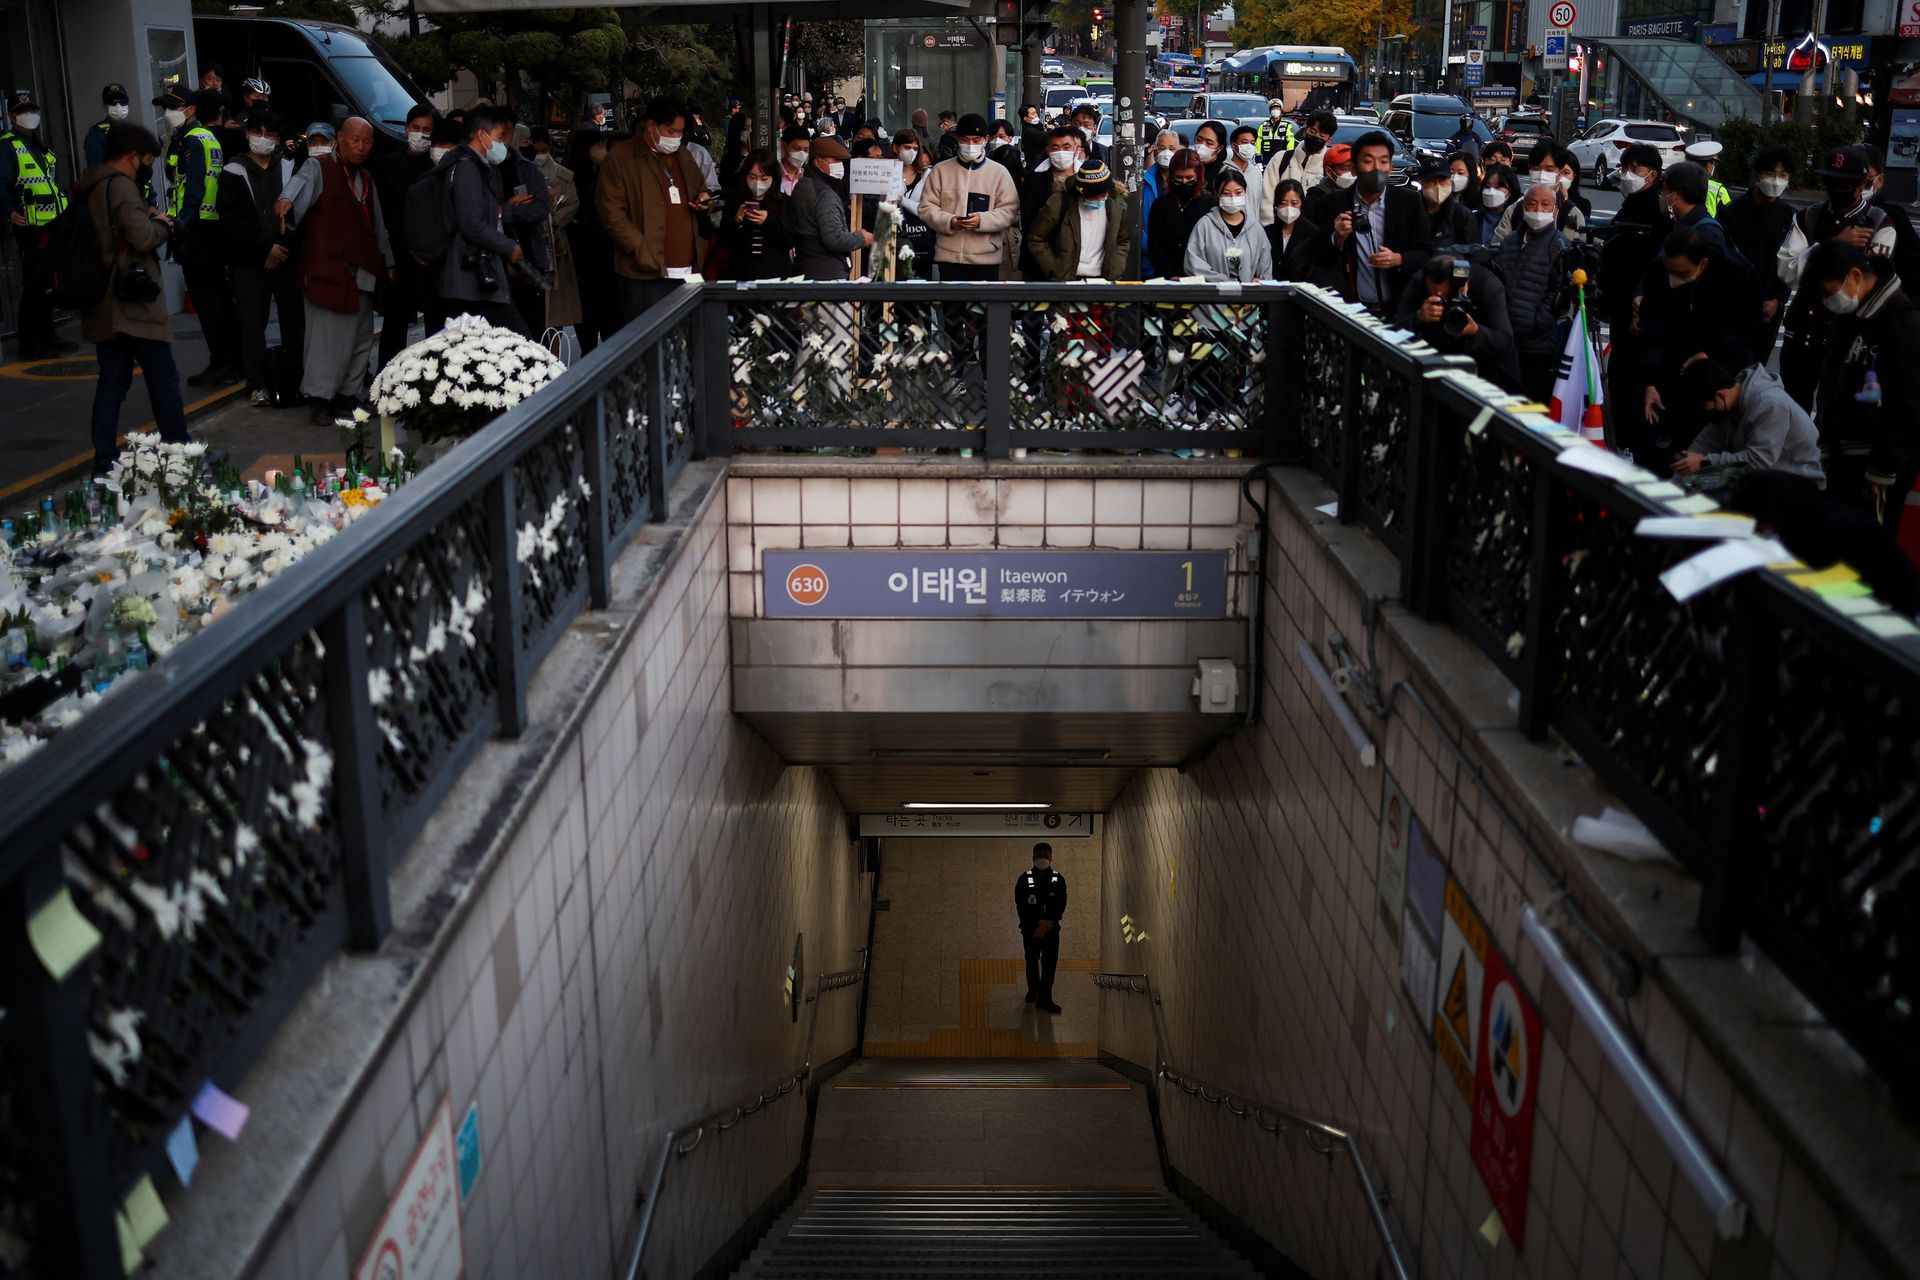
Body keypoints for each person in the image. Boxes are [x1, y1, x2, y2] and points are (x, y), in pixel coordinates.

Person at [79, 124, 190, 472]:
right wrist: (164, 225)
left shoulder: (90, 185)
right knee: (164, 380)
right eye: (146, 159)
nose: (147, 166)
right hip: (133, 303)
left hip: (104, 304)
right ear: (132, 157)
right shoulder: (122, 187)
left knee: (111, 384)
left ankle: (104, 458)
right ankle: (181, 454)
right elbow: (141, 238)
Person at [276, 117, 393, 424]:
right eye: (355, 140)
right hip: (328, 269)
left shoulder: (366, 178)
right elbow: (297, 186)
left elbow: (379, 227)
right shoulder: (320, 167)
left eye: (367, 141)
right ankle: (320, 399)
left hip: (363, 269)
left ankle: (347, 395)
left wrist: (388, 263)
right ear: (339, 139)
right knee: (325, 340)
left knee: (360, 339)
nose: (361, 146)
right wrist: (286, 200)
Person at [1803, 240, 1920, 525]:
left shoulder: (1902, 323)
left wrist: (1883, 468)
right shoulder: (1850, 319)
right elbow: (1831, 383)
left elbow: (1910, 405)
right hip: (1845, 457)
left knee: (1870, 544)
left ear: (1854, 276)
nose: (1827, 301)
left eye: (1828, 292)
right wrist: (1827, 444)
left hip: (1878, 466)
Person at [1778, 145, 1899, 411]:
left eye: (1845, 183)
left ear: (1861, 184)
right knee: (1792, 412)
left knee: (1836, 414)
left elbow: (1871, 285)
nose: (1837, 188)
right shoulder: (1808, 217)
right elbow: (1787, 272)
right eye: (1831, 181)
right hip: (1802, 333)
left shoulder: (1879, 223)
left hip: (1848, 339)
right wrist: (1831, 245)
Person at [1635, 228, 1757, 461]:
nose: (1673, 280)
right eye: (1670, 271)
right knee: (1659, 436)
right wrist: (1651, 381)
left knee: (1709, 433)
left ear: (1703, 264)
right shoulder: (1658, 272)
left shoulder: (1737, 273)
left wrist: (1709, 353)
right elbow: (1651, 330)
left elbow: (1745, 326)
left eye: (1680, 273)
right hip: (1673, 362)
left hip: (1720, 367)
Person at [1729, 470, 1920, 614]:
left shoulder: (1826, 530)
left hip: (1893, 620)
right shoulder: (1813, 513)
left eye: (1759, 525)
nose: (1760, 531)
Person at [216, 109, 304, 407]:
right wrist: (264, 248)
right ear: (247, 134)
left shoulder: (290, 167)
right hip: (249, 260)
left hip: (285, 258)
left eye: (269, 134)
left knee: (294, 321)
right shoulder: (232, 171)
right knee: (253, 323)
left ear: (278, 138)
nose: (263, 139)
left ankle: (295, 378)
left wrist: (280, 247)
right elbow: (230, 219)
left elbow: (298, 213)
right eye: (258, 133)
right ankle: (255, 382)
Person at [599, 97, 714, 322]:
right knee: (649, 346)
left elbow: (702, 189)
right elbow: (611, 212)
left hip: (688, 269)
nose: (675, 138)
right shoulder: (621, 158)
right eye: (671, 131)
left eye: (680, 132)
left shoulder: (683, 155)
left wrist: (703, 200)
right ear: (651, 125)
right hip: (645, 272)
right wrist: (640, 248)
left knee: (688, 344)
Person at [157, 88, 242, 385]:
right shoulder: (204, 138)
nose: (167, 113)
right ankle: (233, 361)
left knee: (208, 301)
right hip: (210, 226)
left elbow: (191, 189)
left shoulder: (194, 140)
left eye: (172, 107)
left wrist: (181, 226)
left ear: (190, 109)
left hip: (198, 229)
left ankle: (222, 364)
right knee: (218, 297)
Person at [1599, 143, 1671, 453]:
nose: (1626, 175)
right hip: (1620, 308)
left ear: (1653, 175)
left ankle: (1627, 440)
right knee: (1621, 376)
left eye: (1634, 169)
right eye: (1624, 168)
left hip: (1637, 310)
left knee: (1628, 378)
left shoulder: (1654, 211)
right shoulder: (1630, 205)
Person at [431, 111, 525, 336]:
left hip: (473, 275)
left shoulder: (475, 167)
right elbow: (472, 223)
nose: (502, 143)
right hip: (473, 275)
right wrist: (509, 247)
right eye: (499, 136)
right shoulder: (467, 168)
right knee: (517, 343)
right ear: (482, 135)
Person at [1670, 357, 1825, 487]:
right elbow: (1706, 442)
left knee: (1719, 498)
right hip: (1768, 475)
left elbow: (1759, 462)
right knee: (1695, 484)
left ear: (1720, 395)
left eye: (1705, 407)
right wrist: (1677, 481)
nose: (1705, 413)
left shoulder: (1770, 405)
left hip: (1798, 483)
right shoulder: (1730, 401)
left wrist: (1705, 463)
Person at [1, 89, 75, 360]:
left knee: (47, 285)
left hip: (51, 225)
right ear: (11, 116)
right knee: (34, 286)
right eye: (22, 111)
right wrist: (8, 211)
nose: (29, 115)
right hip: (30, 228)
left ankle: (49, 337)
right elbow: (1, 183)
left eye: (32, 110)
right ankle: (31, 345)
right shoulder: (7, 145)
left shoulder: (38, 145)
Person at [1331, 131, 1431, 312]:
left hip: (1398, 310)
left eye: (1384, 161)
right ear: (1354, 168)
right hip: (1350, 311)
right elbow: (1316, 255)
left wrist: (1399, 259)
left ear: (1391, 167)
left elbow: (1426, 252)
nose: (1377, 168)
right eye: (1368, 161)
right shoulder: (1334, 203)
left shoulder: (1409, 201)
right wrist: (1337, 238)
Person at [1393, 252, 1520, 391]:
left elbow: (1505, 341)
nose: (1441, 301)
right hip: (1434, 364)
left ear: (1463, 285)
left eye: (1445, 297)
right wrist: (1418, 317)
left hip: (1484, 371)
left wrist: (1476, 331)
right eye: (1435, 296)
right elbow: (1394, 331)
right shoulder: (1420, 280)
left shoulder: (1487, 285)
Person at [1491, 182, 1572, 402]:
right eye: (1532, 204)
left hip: (1538, 346)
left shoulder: (1560, 245)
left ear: (1555, 210)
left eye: (1545, 205)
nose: (1538, 210)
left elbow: (1558, 295)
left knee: (1531, 404)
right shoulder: (1509, 242)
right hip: (1506, 339)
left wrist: (1535, 324)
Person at [372, 102, 437, 370]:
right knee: (394, 325)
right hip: (399, 257)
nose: (420, 135)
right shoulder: (388, 164)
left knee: (436, 326)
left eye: (427, 130)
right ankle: (386, 384)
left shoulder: (437, 165)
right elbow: (381, 216)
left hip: (432, 260)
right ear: (407, 128)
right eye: (416, 128)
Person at [919, 113, 1018, 283]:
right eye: (965, 140)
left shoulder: (999, 172)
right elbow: (926, 208)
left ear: (985, 140)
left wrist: (982, 220)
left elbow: (1009, 210)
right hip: (949, 258)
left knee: (982, 309)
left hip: (986, 259)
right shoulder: (941, 171)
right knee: (952, 309)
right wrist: (950, 221)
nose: (970, 145)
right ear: (957, 139)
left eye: (975, 140)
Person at [1720, 145, 1796, 364]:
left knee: (1757, 366)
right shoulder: (1731, 213)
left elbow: (1791, 262)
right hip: (1734, 307)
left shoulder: (1789, 217)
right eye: (1770, 174)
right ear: (1757, 174)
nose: (1776, 180)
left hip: (1770, 309)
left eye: (1783, 175)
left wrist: (1778, 300)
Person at [1028, 158, 1134, 281]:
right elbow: (1036, 238)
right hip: (1067, 280)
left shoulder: (1117, 206)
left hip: (1104, 279)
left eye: (1103, 194)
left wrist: (1116, 267)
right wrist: (1055, 269)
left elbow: (1123, 240)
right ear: (1081, 192)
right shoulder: (1059, 203)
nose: (1098, 200)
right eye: (1092, 196)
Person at [562, 126, 620, 352]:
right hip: (588, 258)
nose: (602, 150)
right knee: (592, 315)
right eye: (598, 146)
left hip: (598, 259)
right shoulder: (574, 180)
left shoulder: (605, 175)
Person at [788, 136, 869, 278]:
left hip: (804, 267)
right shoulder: (825, 193)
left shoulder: (803, 185)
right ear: (818, 162)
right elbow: (835, 238)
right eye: (835, 160)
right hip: (827, 273)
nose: (840, 165)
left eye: (841, 161)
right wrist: (862, 238)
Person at [501, 123, 554, 335]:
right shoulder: (479, 169)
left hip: (530, 256)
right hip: (497, 262)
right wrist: (505, 210)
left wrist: (506, 212)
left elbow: (541, 207)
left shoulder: (526, 169)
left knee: (533, 327)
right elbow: (478, 215)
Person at [717, 150, 794, 280]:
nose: (758, 182)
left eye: (764, 178)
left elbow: (789, 240)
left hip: (775, 274)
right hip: (741, 274)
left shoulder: (784, 202)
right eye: (752, 177)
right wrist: (737, 221)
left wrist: (768, 221)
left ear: (773, 178)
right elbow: (724, 240)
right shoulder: (736, 201)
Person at [1185, 167, 1272, 282]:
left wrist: (1260, 281)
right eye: (1226, 193)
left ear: (1245, 192)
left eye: (1238, 192)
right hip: (1214, 296)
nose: (1232, 197)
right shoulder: (1204, 226)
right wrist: (1222, 281)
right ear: (1217, 194)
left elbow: (1265, 267)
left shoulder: (1256, 229)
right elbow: (1193, 263)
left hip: (1247, 297)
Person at [1015, 843, 1066, 1015]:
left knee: (1049, 964)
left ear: (1051, 858)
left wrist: (1046, 924)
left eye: (1045, 855)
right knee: (1031, 961)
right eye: (1039, 856)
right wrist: (1037, 925)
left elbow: (1060, 905)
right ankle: (1033, 990)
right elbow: (1021, 905)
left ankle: (1045, 998)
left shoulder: (1058, 879)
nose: (1042, 859)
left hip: (1051, 930)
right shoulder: (1024, 879)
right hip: (1031, 930)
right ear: (1033, 858)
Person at [1146, 147, 1213, 278]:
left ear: (1198, 176)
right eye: (1179, 178)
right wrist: (1169, 274)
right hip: (1166, 276)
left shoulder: (1208, 203)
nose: (1184, 182)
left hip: (1200, 275)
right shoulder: (1161, 204)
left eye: (1189, 178)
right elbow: (1154, 245)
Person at [1260, 109, 1335, 225]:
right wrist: (1271, 230)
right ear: (1305, 131)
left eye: (1322, 135)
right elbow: (1267, 198)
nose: (1316, 137)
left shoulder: (1330, 168)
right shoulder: (1280, 160)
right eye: (1313, 132)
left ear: (1328, 140)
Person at [1267, 178, 1330, 285]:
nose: (1288, 208)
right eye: (1283, 203)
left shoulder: (1313, 234)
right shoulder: (1267, 232)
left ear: (1302, 203)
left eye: (1294, 203)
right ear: (1276, 204)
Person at [1417, 157, 1472, 248]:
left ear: (1450, 181)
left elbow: (1473, 254)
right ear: (1421, 183)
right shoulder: (1411, 213)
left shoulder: (1462, 215)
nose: (1437, 186)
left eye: (1442, 180)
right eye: (1431, 181)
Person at [1302, 142, 1354, 233]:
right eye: (1345, 169)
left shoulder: (1361, 194)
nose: (1351, 173)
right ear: (1329, 172)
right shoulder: (1315, 199)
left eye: (1353, 168)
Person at [83, 83, 134, 171]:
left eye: (122, 101)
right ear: (104, 107)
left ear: (128, 105)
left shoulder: (135, 133)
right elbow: (98, 173)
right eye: (113, 102)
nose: (118, 106)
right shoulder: (96, 137)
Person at [1474, 164, 1518, 246]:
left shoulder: (1516, 219)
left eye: (1498, 187)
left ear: (1511, 190)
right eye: (1487, 186)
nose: (1491, 191)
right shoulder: (1474, 218)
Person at [1684, 139, 1730, 217]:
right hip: (1709, 227)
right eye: (1713, 164)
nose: (1714, 167)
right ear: (1708, 166)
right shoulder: (1719, 190)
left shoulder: (1680, 182)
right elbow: (1729, 215)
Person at [1190, 120, 1228, 189]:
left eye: (1209, 143)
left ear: (1219, 149)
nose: (1202, 145)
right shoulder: (1187, 167)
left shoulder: (1224, 173)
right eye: (1199, 140)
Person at [1256, 97, 1293, 162]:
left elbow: (1290, 142)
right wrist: (1258, 158)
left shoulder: (1286, 125)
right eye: (1273, 109)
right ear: (1270, 111)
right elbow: (1258, 142)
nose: (1275, 110)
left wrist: (1288, 156)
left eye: (1277, 109)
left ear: (1280, 111)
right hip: (1266, 158)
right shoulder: (1263, 125)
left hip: (1281, 158)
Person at [1226, 124, 1262, 189]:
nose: (1249, 146)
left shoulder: (1256, 173)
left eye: (1252, 143)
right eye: (1245, 142)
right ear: (1233, 145)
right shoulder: (1224, 171)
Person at [778, 125, 811, 196]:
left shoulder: (808, 176)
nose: (802, 154)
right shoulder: (773, 174)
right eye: (796, 148)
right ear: (784, 145)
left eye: (806, 150)